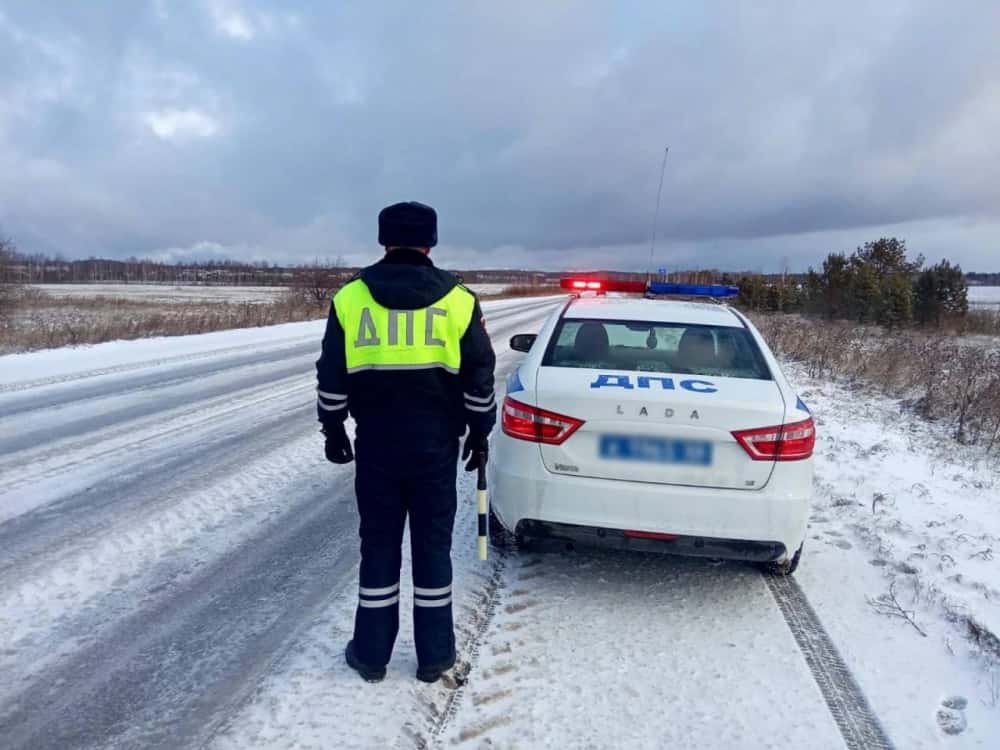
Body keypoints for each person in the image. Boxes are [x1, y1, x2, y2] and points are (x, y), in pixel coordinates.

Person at [315, 201, 497, 684]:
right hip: (435, 447)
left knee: (378, 547)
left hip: (377, 446)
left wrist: (332, 428)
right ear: (431, 242)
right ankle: (435, 656)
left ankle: (371, 655)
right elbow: (479, 376)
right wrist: (481, 433)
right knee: (433, 549)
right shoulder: (459, 300)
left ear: (383, 240)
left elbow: (331, 373)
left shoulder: (351, 299)